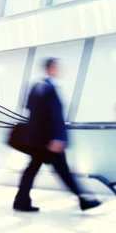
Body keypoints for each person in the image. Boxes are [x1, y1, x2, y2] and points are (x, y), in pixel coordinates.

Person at [13, 58, 101, 212]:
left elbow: (29, 108)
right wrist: (57, 138)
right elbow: (52, 115)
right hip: (48, 142)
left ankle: (21, 201)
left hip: (41, 141)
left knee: (32, 170)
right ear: (50, 68)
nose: (58, 70)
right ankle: (83, 199)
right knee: (62, 172)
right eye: (56, 67)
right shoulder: (46, 88)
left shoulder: (40, 87)